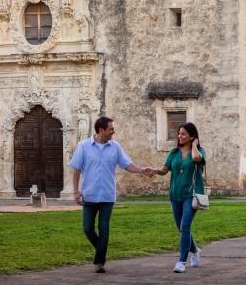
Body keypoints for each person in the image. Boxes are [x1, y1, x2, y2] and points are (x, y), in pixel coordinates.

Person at [69, 116, 153, 273]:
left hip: (107, 195)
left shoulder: (115, 147)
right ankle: (101, 250)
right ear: (101, 130)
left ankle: (99, 261)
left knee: (104, 228)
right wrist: (75, 191)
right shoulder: (84, 146)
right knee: (87, 228)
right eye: (111, 129)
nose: (113, 131)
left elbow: (127, 165)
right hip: (89, 194)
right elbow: (76, 169)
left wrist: (142, 170)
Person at [153, 122, 206, 273]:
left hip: (192, 194)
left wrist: (195, 145)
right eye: (179, 133)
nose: (180, 136)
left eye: (183, 134)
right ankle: (195, 251)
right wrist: (154, 170)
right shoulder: (173, 153)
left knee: (185, 227)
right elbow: (165, 170)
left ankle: (181, 261)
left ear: (192, 136)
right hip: (175, 195)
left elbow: (196, 159)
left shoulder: (200, 151)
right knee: (182, 229)